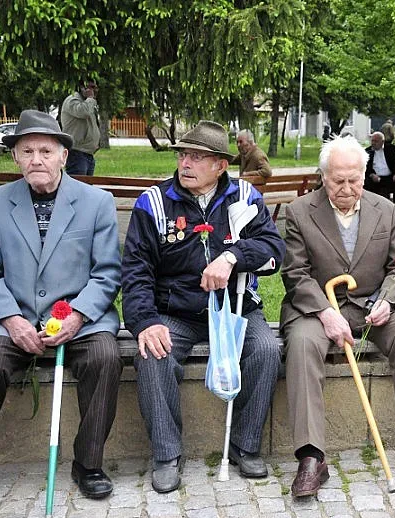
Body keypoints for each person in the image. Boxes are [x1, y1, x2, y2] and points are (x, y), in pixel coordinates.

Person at [0, 110, 122, 506]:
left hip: (79, 320)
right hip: (11, 319)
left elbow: (107, 272)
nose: (36, 159)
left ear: (63, 157)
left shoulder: (96, 202)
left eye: (45, 151)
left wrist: (76, 317)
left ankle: (88, 463)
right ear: (15, 158)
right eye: (27, 151)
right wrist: (12, 319)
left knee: (106, 357)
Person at [122, 120, 284, 493]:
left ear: (220, 165)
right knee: (151, 354)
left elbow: (274, 250)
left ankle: (245, 446)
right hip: (175, 311)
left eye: (197, 157)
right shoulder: (154, 202)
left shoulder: (244, 196)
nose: (186, 163)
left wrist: (232, 257)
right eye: (182, 155)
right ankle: (166, 454)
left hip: (235, 307)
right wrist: (146, 321)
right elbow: (135, 270)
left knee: (265, 350)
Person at [280, 135, 395, 498]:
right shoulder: (299, 212)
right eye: (338, 180)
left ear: (364, 174)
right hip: (318, 306)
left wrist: (388, 299)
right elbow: (294, 273)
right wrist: (324, 312)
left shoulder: (384, 209)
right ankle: (311, 457)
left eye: (354, 179)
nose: (347, 188)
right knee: (304, 343)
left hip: (373, 306)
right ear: (323, 176)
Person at [60, 78, 101, 175]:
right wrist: (90, 98)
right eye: (90, 87)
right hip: (77, 152)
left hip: (88, 153)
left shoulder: (88, 102)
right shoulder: (72, 100)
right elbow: (83, 112)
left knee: (86, 188)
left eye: (95, 88)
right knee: (77, 187)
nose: (94, 91)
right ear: (82, 88)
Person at [364, 132, 395, 212]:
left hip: (389, 177)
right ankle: (370, 209)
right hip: (375, 178)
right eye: (372, 141)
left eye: (376, 141)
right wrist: (372, 175)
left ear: (382, 142)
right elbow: (365, 167)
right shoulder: (367, 151)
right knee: (366, 184)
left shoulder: (390, 149)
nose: (373, 143)